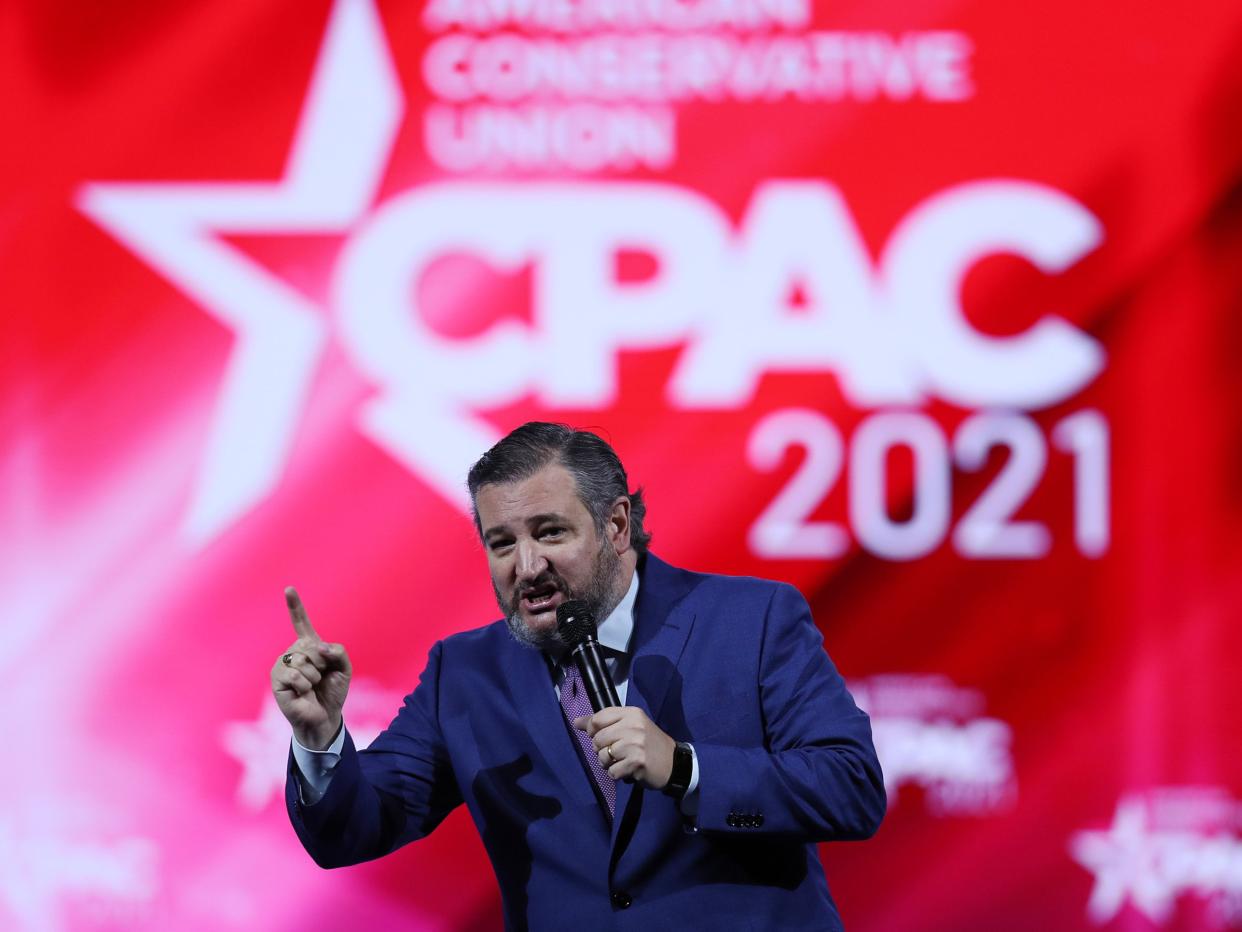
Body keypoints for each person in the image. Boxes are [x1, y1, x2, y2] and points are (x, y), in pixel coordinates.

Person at [273, 422, 885, 930]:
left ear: (616, 525)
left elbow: (851, 789)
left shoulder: (750, 620)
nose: (527, 566)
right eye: (501, 544)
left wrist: (687, 770)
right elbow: (350, 833)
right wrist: (320, 740)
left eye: (549, 532)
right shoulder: (463, 673)